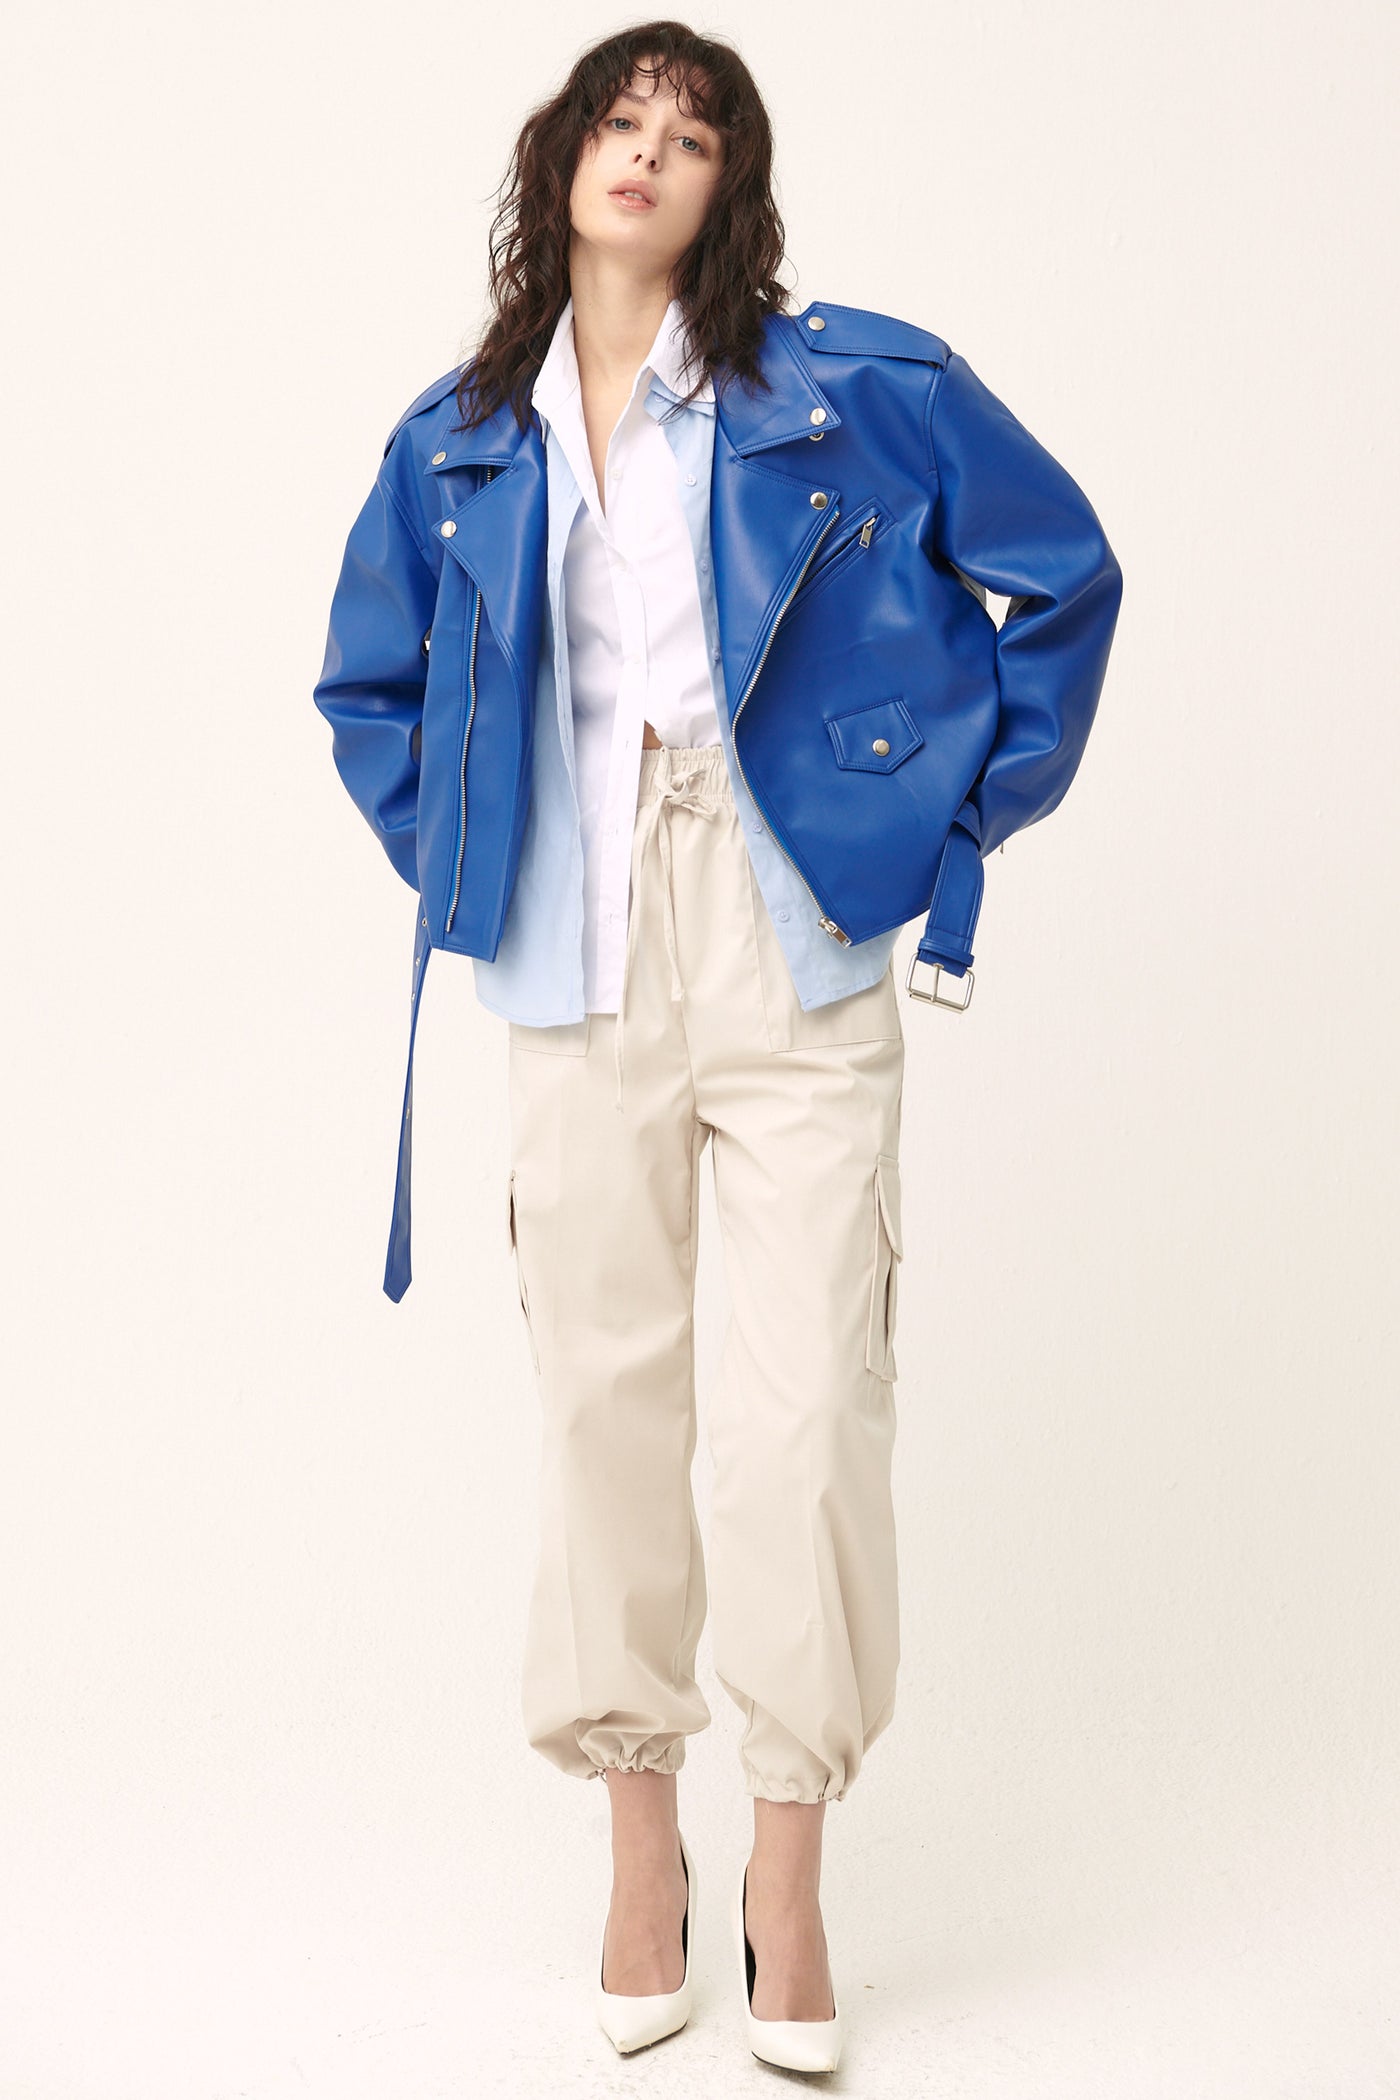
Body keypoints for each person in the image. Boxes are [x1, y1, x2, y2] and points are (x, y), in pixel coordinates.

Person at [313, 20, 1123, 2072]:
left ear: (726, 189)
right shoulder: (459, 439)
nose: (648, 154)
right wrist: (475, 850)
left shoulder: (851, 390)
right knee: (606, 1407)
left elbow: (1060, 578)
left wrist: (941, 827)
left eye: (691, 136)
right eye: (621, 119)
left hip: (789, 925)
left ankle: (787, 1865)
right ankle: (636, 1854)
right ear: (562, 158)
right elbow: (369, 687)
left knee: (805, 1417)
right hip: (571, 941)